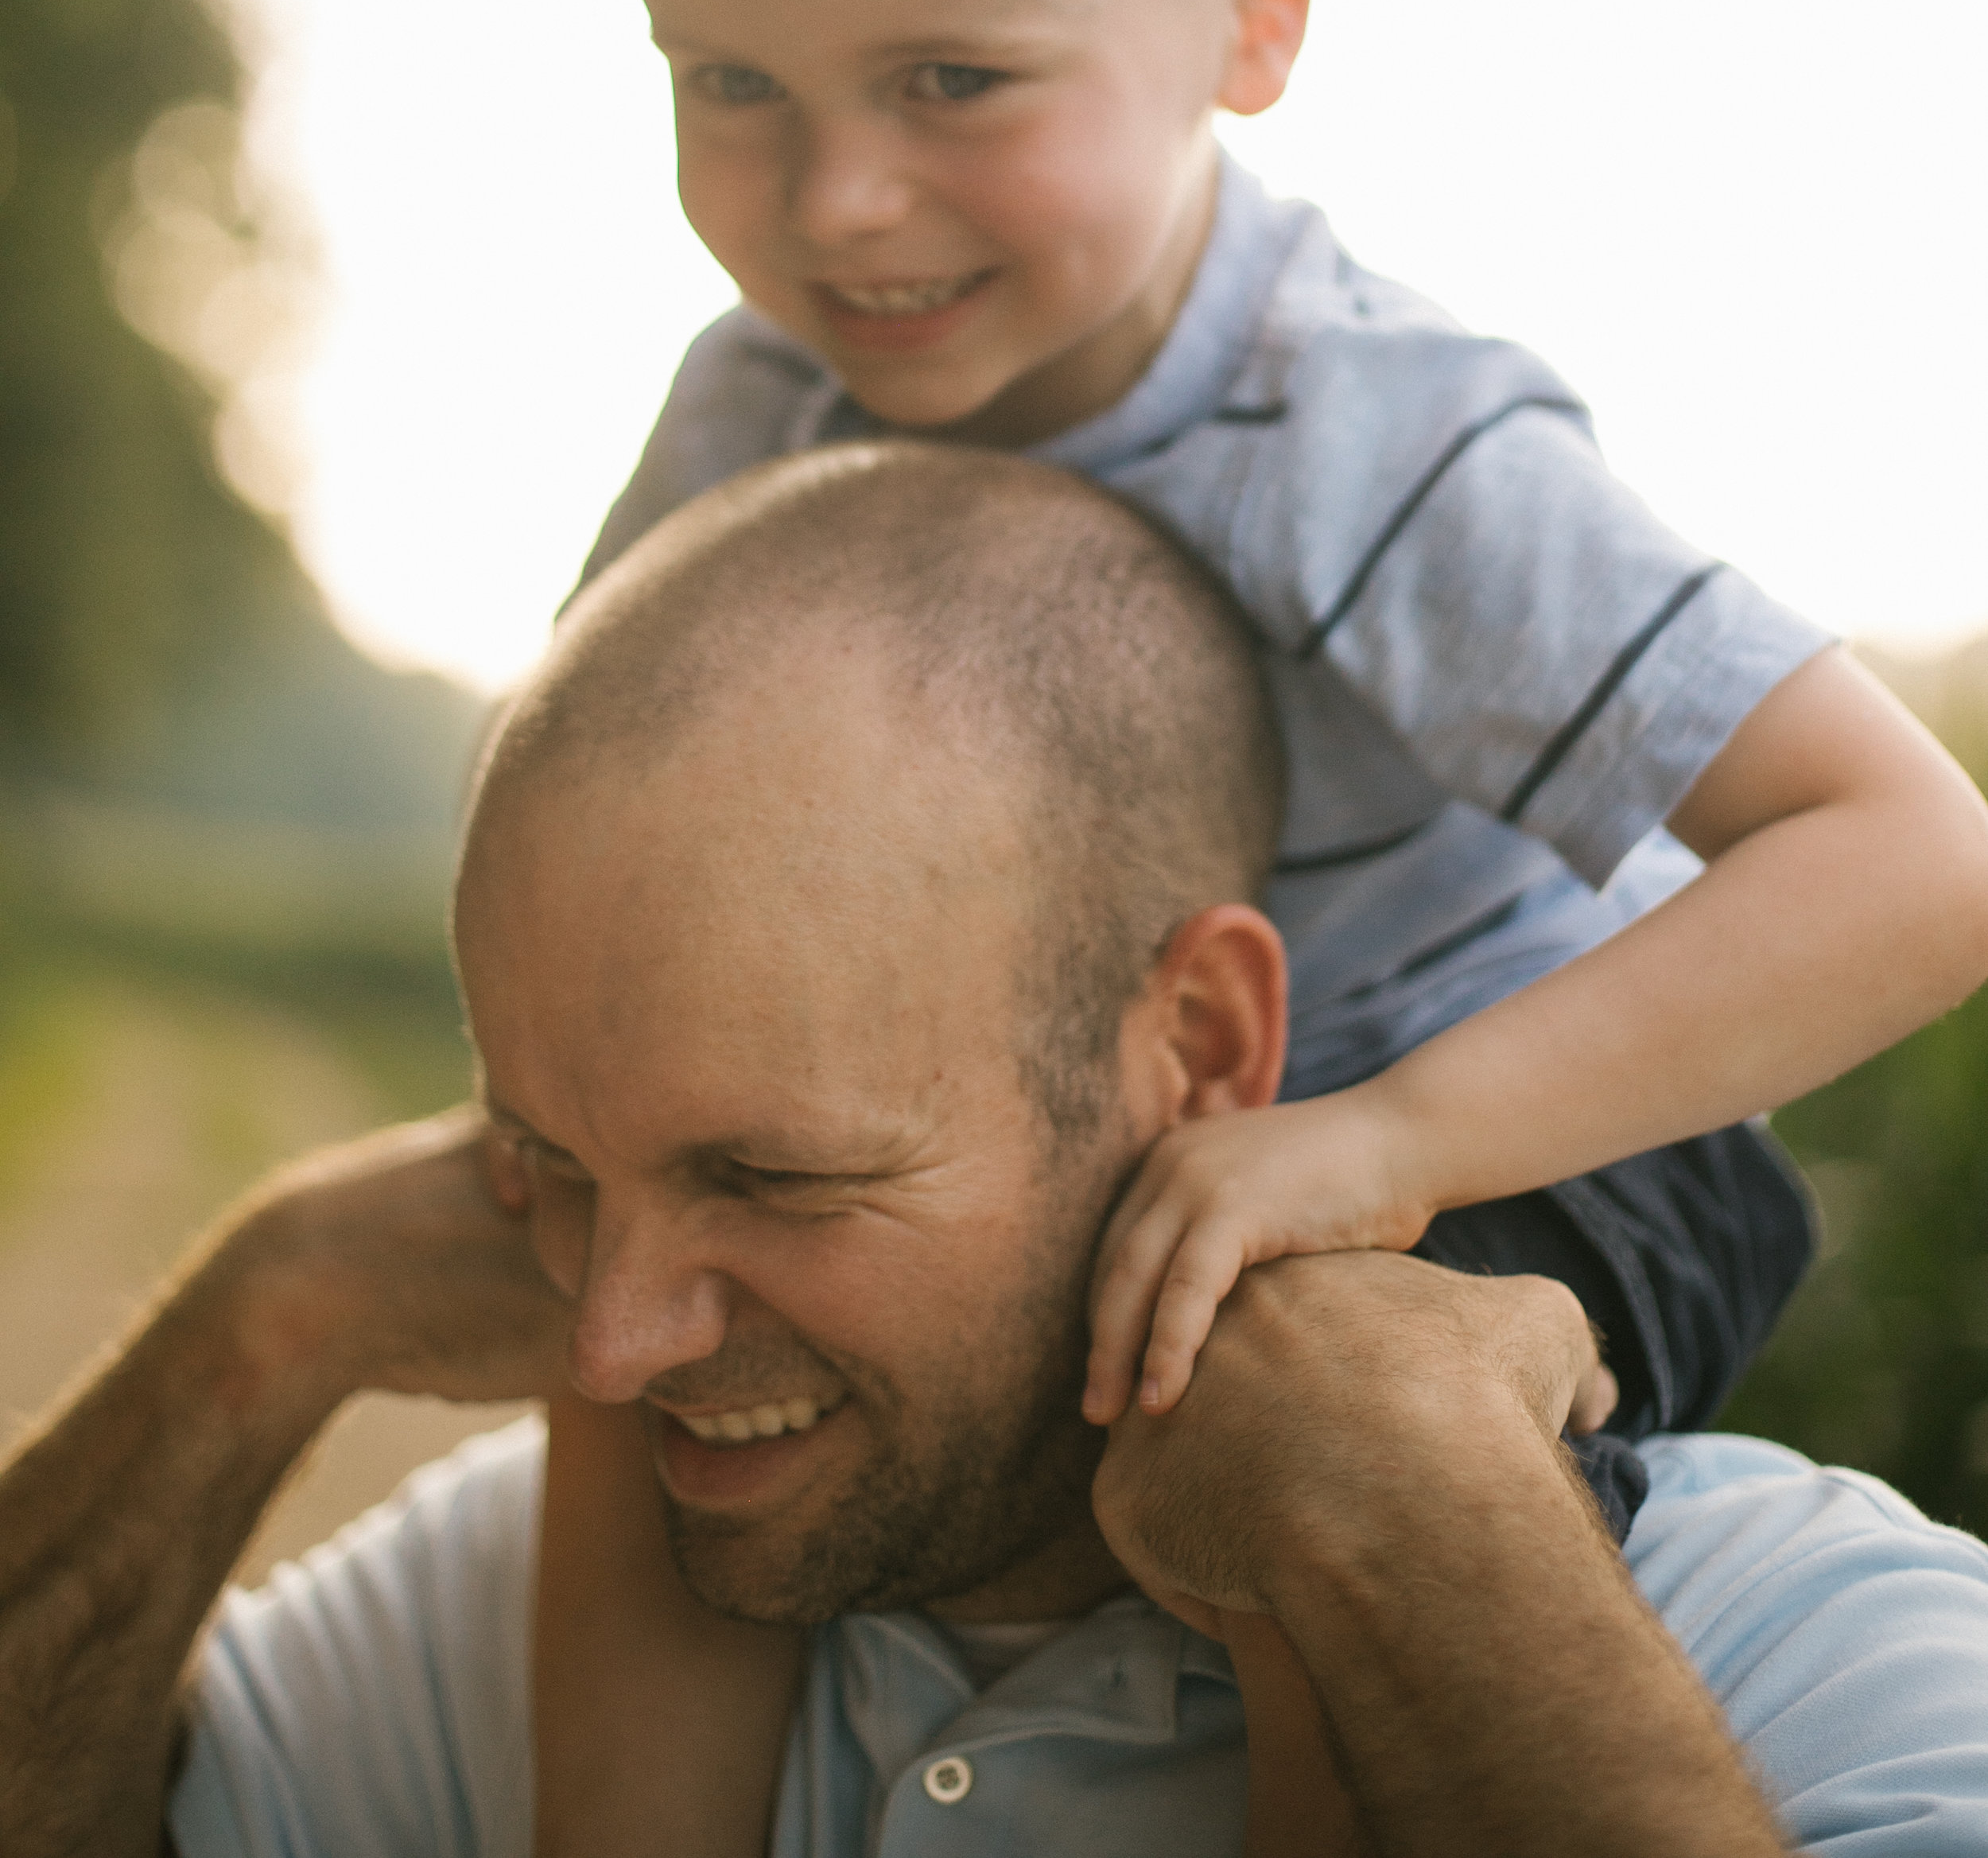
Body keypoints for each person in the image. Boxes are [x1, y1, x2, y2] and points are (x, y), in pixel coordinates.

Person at [573, 0, 1988, 1440]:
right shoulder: (754, 410)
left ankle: (1465, 1538)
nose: (837, 205)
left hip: (1537, 1136)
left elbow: (1915, 862)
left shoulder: (1360, 435)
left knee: (1304, 1418)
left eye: (952, 80)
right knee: (623, 1373)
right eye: (730, 81)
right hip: (1104, 1151)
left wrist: (1392, 1141)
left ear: (1254, 12)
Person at [2, 449, 1983, 1858]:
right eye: (553, 1162)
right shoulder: (535, 1608)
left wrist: (1407, 1523)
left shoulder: (1775, 1645)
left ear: (1199, 1051)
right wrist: (259, 1323)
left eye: (769, 1178)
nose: (607, 1346)